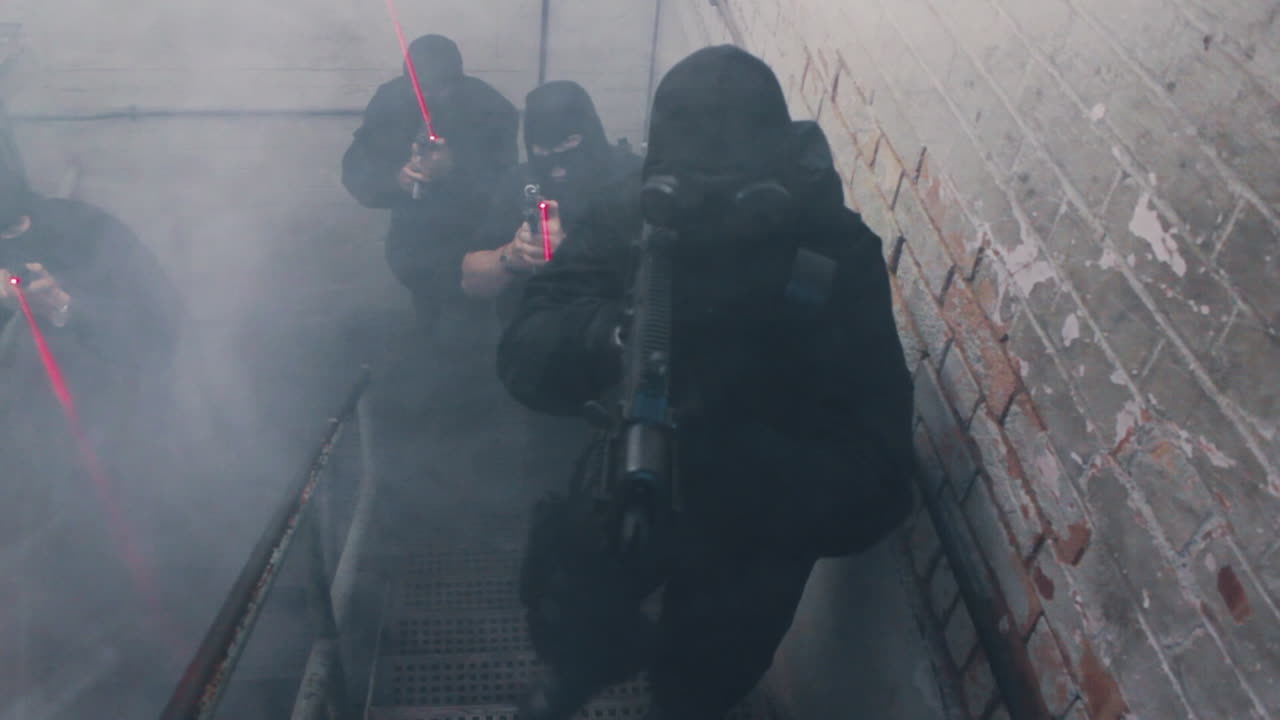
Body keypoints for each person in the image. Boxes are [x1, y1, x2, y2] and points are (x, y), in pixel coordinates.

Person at [496, 46, 916, 720]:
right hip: (626, 490)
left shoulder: (830, 253)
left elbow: (882, 478)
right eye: (690, 187)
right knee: (570, 644)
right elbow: (522, 353)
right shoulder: (628, 217)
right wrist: (613, 335)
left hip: (756, 526)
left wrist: (740, 463)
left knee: (698, 689)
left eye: (735, 188)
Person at [461, 80, 642, 501]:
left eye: (570, 146)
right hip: (545, 371)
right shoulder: (520, 184)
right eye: (544, 154)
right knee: (552, 488)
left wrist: (576, 259)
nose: (558, 168)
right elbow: (470, 280)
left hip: (618, 370)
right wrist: (511, 256)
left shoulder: (632, 184)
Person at [341, 34, 518, 352]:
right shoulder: (391, 101)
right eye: (418, 90)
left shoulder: (491, 109)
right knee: (428, 331)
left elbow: (506, 186)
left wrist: (456, 170)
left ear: (456, 82)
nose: (427, 99)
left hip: (472, 246)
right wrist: (397, 179)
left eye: (438, 89)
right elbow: (357, 168)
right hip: (414, 249)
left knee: (464, 336)